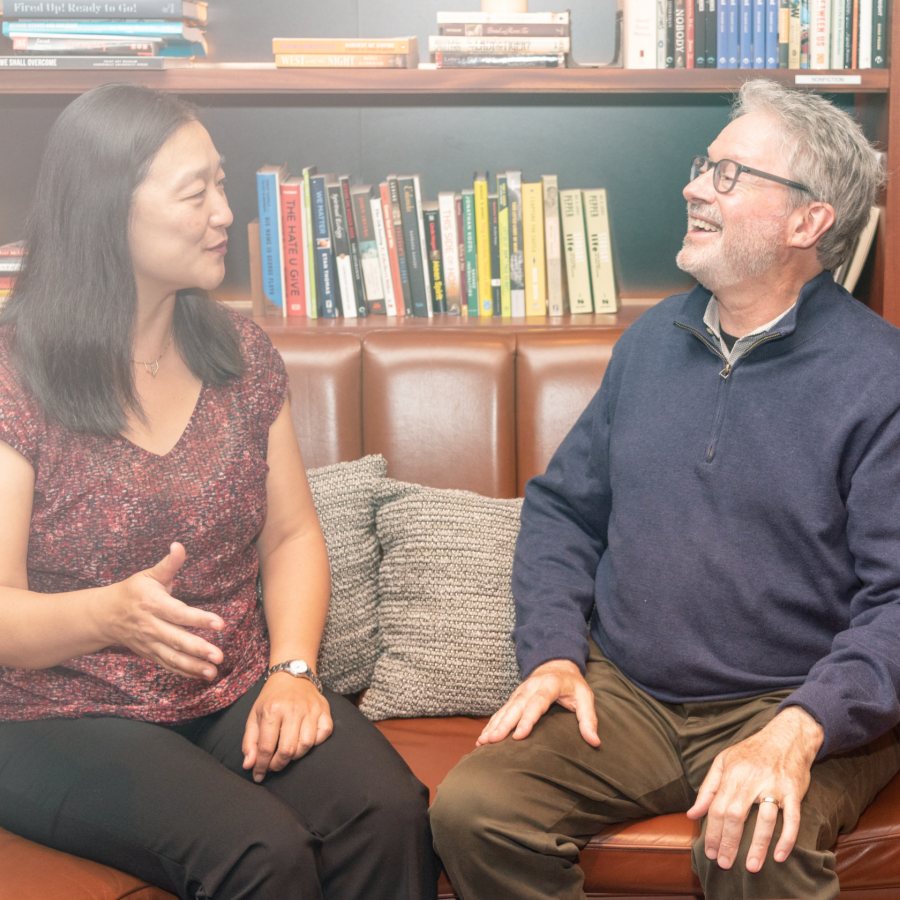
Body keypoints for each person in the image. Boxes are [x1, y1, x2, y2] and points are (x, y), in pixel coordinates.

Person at [430, 79, 900, 900]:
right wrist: (550, 653)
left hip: (797, 699)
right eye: (702, 166)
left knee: (756, 843)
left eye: (728, 174)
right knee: (477, 806)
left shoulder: (881, 378)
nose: (693, 187)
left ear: (807, 222)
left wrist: (802, 726)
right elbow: (564, 511)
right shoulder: (651, 341)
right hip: (630, 695)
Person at [0, 83, 437, 900]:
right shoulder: (14, 375)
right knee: (261, 854)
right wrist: (107, 615)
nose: (225, 212)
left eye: (221, 183)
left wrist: (294, 671)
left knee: (389, 810)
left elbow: (291, 537)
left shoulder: (238, 353)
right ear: (107, 210)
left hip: (231, 688)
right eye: (193, 191)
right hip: (57, 716)